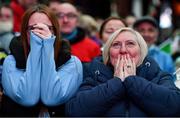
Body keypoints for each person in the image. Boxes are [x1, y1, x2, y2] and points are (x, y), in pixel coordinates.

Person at [66, 27, 180, 117]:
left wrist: (132, 81)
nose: (123, 50)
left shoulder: (157, 74)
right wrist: (117, 83)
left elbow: (175, 106)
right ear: (108, 53)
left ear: (141, 50)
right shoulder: (95, 74)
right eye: (116, 45)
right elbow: (75, 110)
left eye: (130, 43)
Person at [1, 4, 82, 117]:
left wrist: (47, 48)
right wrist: (36, 49)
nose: (39, 33)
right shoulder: (11, 61)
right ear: (24, 32)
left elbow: (52, 98)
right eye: (33, 28)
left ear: (55, 31)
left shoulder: (72, 62)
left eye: (47, 28)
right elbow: (28, 98)